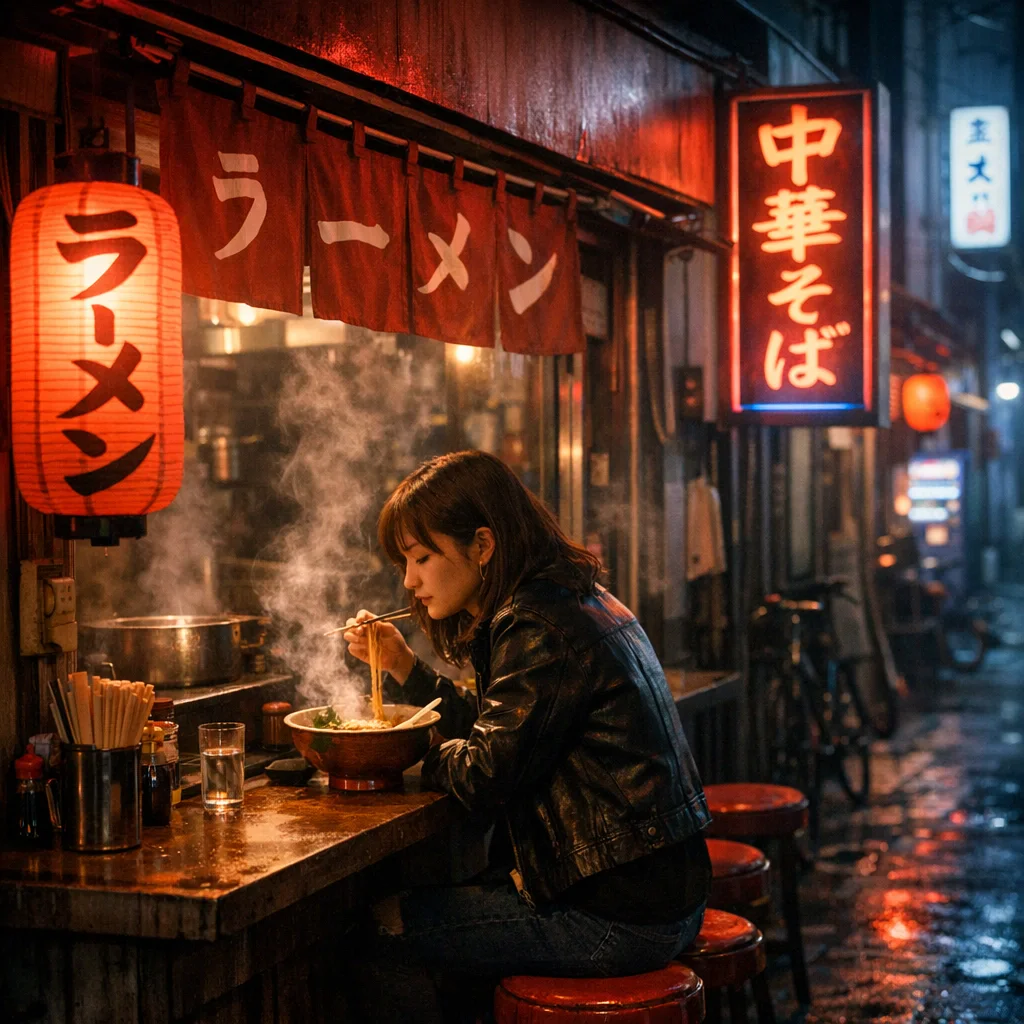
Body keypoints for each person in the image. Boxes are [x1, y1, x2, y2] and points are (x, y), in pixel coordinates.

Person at [343, 450, 711, 1022]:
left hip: (617, 917)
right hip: (654, 894)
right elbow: (504, 729)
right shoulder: (565, 596)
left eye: (421, 557)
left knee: (383, 927)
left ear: (483, 546)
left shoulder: (535, 624)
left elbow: (483, 776)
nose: (410, 582)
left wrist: (395, 747)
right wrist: (404, 669)